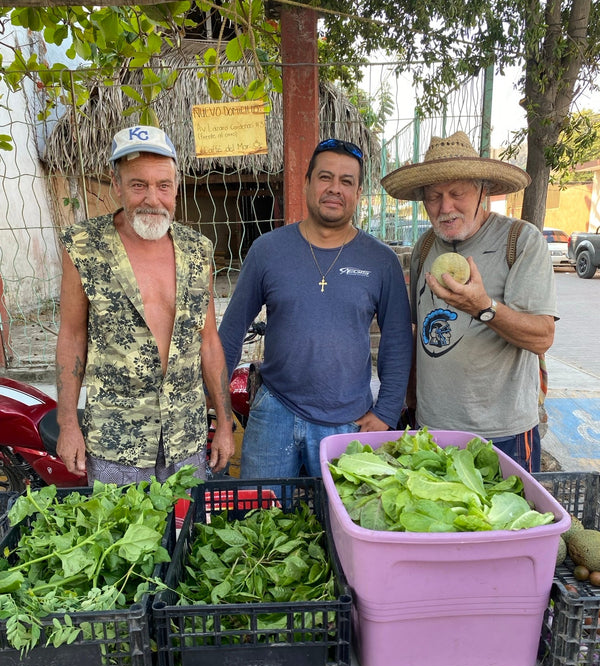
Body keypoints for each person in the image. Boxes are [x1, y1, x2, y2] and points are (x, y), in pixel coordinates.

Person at [218, 138, 413, 479]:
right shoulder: (268, 251)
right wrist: (218, 404)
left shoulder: (381, 261)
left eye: (346, 181)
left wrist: (386, 412)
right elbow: (231, 332)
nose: (334, 189)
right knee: (261, 518)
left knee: (340, 524)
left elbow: (397, 342)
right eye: (325, 177)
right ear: (306, 184)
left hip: (348, 420)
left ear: (358, 192)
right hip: (274, 411)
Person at [55, 124, 235, 484]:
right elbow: (72, 337)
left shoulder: (198, 251)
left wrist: (226, 425)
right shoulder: (84, 247)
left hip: (184, 435)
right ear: (117, 184)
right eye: (139, 185)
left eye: (163, 185)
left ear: (177, 187)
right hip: (115, 439)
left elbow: (209, 341)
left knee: (184, 533)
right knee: (122, 538)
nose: (152, 198)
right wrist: (68, 424)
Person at [381, 130, 557, 472]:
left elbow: (542, 336)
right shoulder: (425, 247)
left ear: (483, 190)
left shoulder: (520, 242)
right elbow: (417, 331)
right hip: (432, 429)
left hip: (501, 435)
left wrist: (483, 308)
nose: (445, 207)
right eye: (433, 197)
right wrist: (412, 403)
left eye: (457, 193)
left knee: (504, 525)